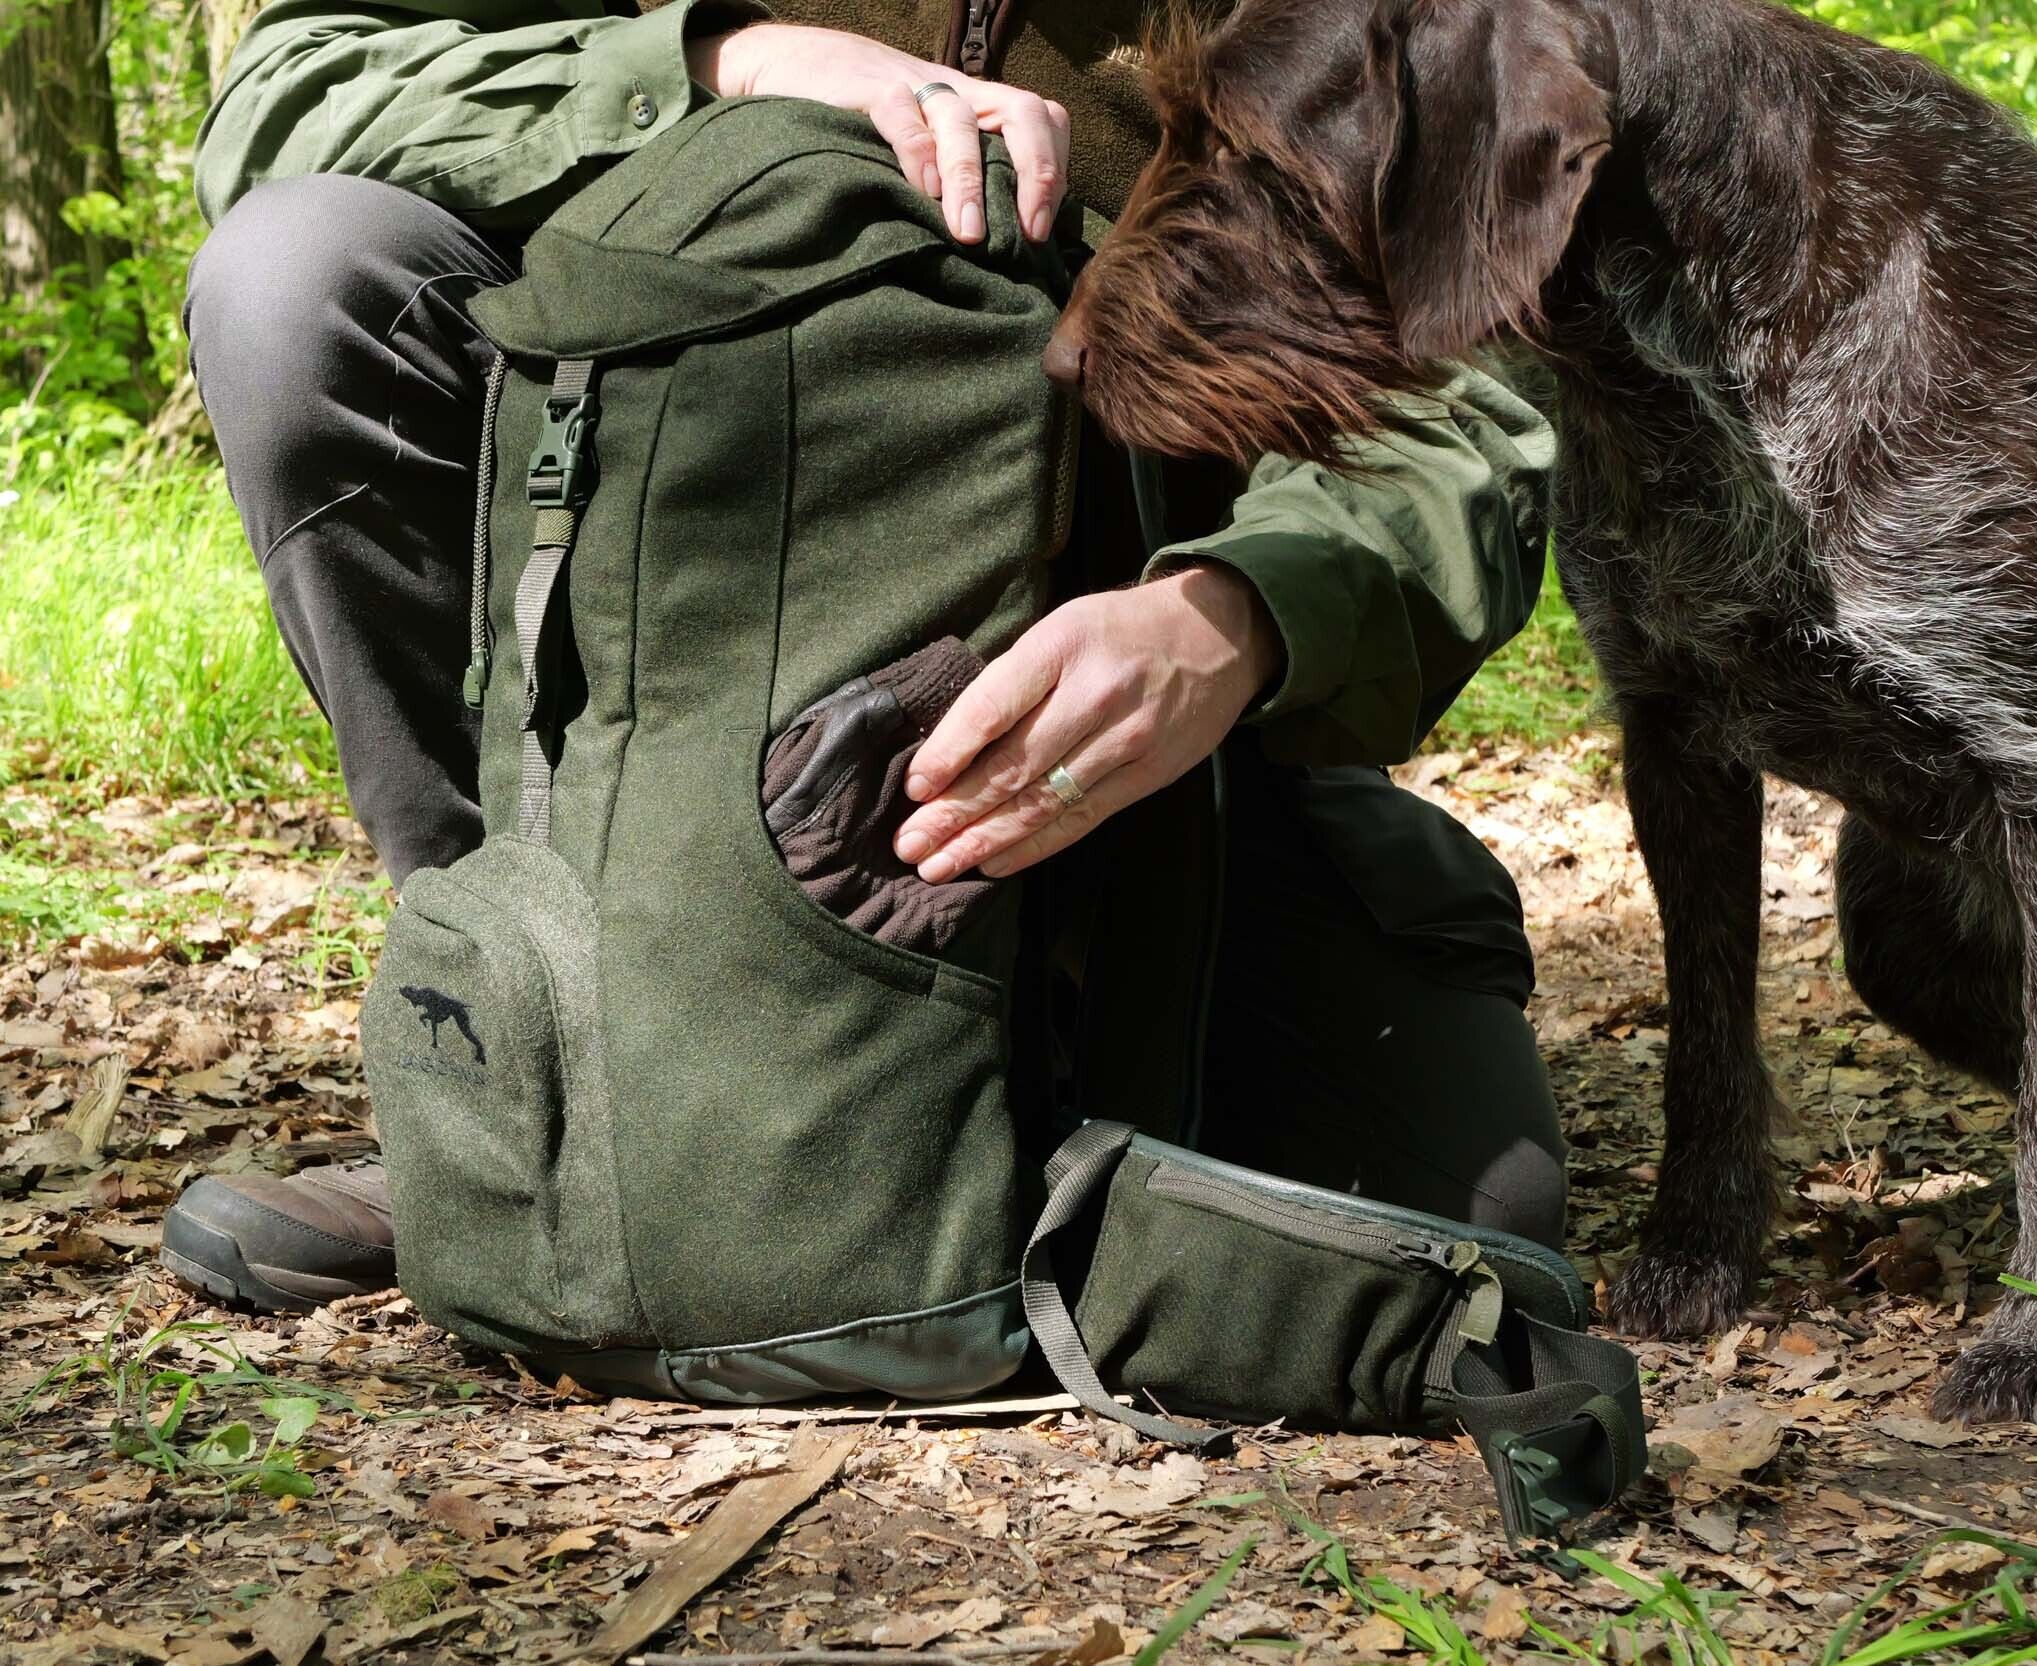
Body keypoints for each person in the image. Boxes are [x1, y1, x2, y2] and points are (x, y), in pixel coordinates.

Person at [159, 0, 1571, 1317]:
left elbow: (1471, 395)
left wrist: (1238, 613)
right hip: (654, 716)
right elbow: (296, 93)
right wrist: (722, 59)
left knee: (1470, 1210)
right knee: (297, 280)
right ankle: (525, 1083)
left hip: (1136, 758)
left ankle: (1053, 1065)